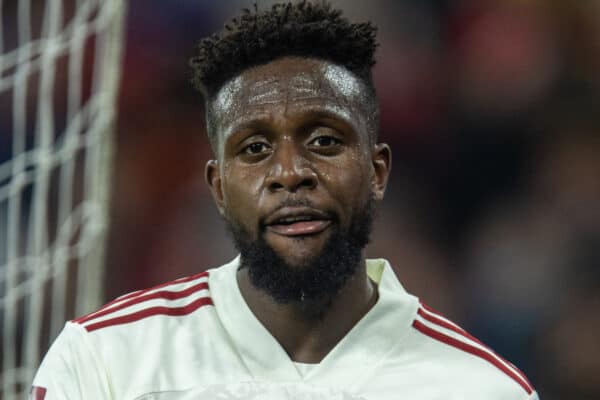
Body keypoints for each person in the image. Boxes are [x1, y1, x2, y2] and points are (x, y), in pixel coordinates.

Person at [31, 2, 539, 399]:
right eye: (254, 149)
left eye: (324, 141)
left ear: (378, 170)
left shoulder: (482, 390)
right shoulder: (105, 360)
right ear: (218, 187)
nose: (290, 173)